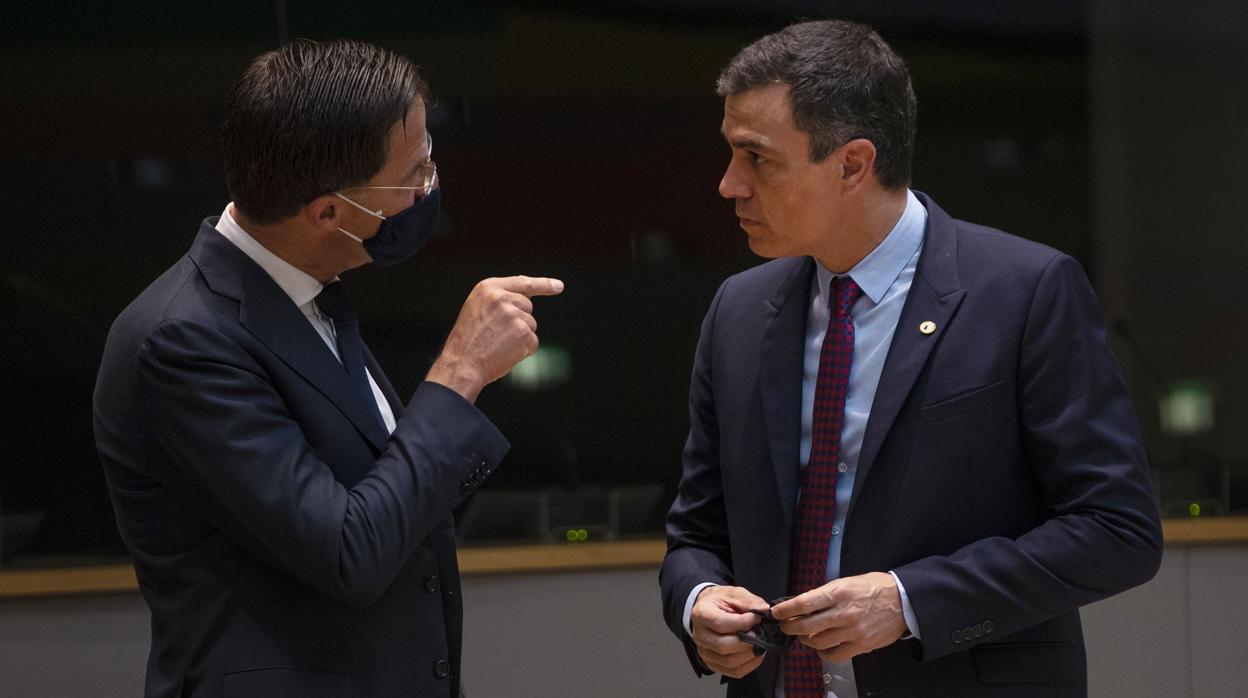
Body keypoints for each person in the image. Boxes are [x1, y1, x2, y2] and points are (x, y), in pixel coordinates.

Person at [659, 20, 1162, 698]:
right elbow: (695, 529)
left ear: (852, 164)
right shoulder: (739, 312)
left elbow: (1117, 530)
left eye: (757, 158)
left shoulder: (1024, 291)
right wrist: (698, 602)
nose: (728, 185)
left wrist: (909, 600)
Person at [93, 40, 562, 698]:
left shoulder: (307, 294)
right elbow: (348, 554)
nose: (431, 184)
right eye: (417, 173)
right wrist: (459, 372)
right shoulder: (183, 340)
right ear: (329, 212)